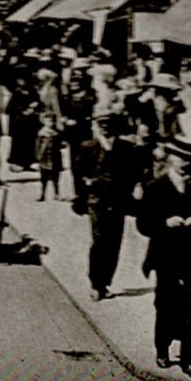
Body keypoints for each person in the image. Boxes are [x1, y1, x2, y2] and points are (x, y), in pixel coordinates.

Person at [138, 154, 191, 377]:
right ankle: (162, 349)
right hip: (166, 255)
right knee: (166, 305)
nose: (185, 164)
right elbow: (143, 224)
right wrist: (165, 223)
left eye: (188, 160)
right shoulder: (155, 187)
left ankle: (190, 359)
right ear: (171, 160)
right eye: (180, 159)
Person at [74, 114, 139, 302]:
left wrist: (129, 192)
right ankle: (96, 283)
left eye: (108, 126)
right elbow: (79, 172)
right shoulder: (88, 147)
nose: (105, 129)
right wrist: (84, 192)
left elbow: (132, 173)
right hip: (96, 200)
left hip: (118, 201)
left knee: (114, 242)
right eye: (101, 125)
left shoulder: (126, 148)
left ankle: (105, 282)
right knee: (99, 240)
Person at [34, 114, 63, 201]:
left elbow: (61, 143)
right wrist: (38, 156)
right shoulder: (41, 133)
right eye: (48, 121)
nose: (50, 123)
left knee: (56, 177)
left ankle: (57, 194)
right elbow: (37, 145)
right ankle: (42, 194)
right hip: (44, 157)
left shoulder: (57, 133)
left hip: (55, 157)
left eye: (52, 121)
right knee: (44, 177)